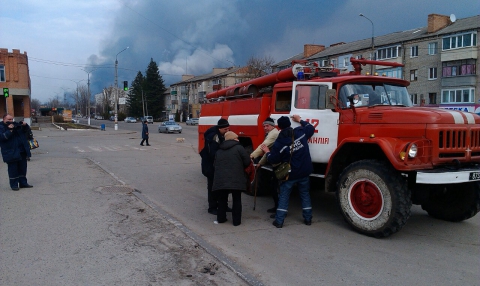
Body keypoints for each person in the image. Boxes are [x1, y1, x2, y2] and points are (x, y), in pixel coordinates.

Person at [261, 115, 315, 228]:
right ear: (290, 124)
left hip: (290, 174)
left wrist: (267, 151)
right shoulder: (300, 132)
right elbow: (311, 128)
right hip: (305, 171)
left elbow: (273, 159)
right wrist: (300, 120)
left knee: (284, 196)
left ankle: (279, 221)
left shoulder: (279, 142)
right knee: (305, 195)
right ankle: (308, 219)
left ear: (279, 127)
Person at [212, 131, 251, 226]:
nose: (238, 139)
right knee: (237, 199)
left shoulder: (219, 150)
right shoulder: (239, 148)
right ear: (233, 138)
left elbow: (214, 164)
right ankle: (236, 221)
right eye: (236, 137)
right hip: (236, 178)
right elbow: (247, 162)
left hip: (221, 179)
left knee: (222, 199)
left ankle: (221, 219)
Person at [250, 117, 280, 216]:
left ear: (272, 125)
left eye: (267, 126)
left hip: (278, 164)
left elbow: (263, 147)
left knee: (276, 188)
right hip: (275, 161)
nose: (265, 128)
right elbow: (267, 151)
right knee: (274, 187)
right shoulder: (271, 133)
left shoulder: (273, 134)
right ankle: (277, 207)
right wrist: (261, 163)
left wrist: (252, 156)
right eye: (264, 126)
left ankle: (279, 210)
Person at [200, 118, 230, 215]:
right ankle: (212, 207)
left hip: (216, 166)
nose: (227, 131)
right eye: (225, 129)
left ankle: (223, 205)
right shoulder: (213, 137)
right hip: (211, 166)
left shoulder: (219, 135)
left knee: (221, 187)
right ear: (220, 128)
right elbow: (213, 154)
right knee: (213, 187)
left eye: (228, 129)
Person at [0, 114, 33, 191]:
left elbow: (26, 131)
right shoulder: (1, 127)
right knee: (13, 169)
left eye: (12, 119)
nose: (10, 121)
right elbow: (2, 138)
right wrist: (10, 130)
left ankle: (23, 183)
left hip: (21, 151)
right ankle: (14, 185)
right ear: (4, 119)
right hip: (10, 152)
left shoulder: (16, 125)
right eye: (9, 119)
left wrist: (25, 125)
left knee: (22, 168)